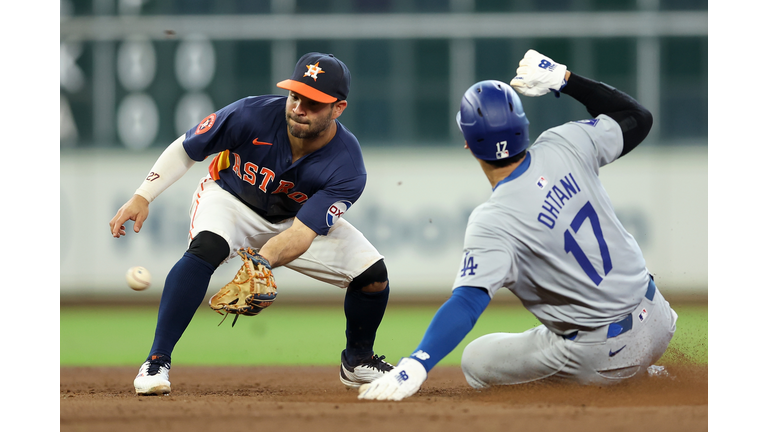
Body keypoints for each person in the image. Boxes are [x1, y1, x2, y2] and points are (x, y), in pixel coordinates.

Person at [358, 49, 678, 401]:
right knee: (553, 330)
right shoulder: (565, 143)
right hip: (659, 318)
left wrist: (417, 363)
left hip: (605, 354)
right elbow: (638, 117)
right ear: (523, 126)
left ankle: (623, 381)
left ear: (468, 143)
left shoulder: (494, 220)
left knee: (476, 360)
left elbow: (467, 303)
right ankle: (648, 372)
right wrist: (565, 79)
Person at [109, 52, 394, 396]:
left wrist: (263, 261)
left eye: (314, 102)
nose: (299, 108)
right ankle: (157, 361)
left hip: (293, 222)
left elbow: (303, 233)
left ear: (338, 108)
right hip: (230, 200)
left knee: (373, 276)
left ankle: (357, 360)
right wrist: (143, 195)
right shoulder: (251, 113)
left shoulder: (347, 165)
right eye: (295, 95)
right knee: (207, 248)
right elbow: (188, 148)